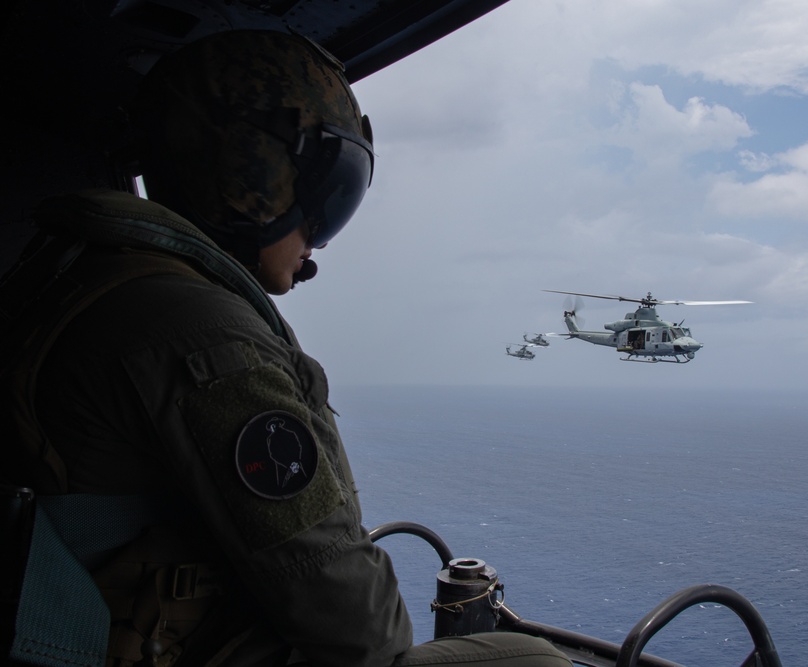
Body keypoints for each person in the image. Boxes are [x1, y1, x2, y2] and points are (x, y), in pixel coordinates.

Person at [0, 29, 571, 667]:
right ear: (249, 175)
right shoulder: (200, 330)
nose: (319, 236)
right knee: (532, 660)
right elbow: (356, 626)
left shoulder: (84, 275)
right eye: (327, 191)